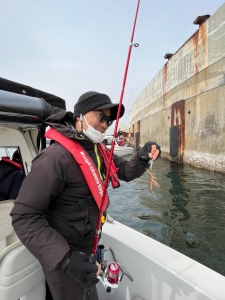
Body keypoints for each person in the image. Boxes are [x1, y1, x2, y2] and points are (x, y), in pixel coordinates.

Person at [10, 91, 161, 300]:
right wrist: (67, 259)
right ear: (80, 115)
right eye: (101, 117)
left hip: (87, 248)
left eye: (109, 120)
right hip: (65, 256)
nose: (105, 124)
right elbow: (24, 217)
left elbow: (124, 171)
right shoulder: (54, 158)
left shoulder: (98, 150)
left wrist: (142, 158)